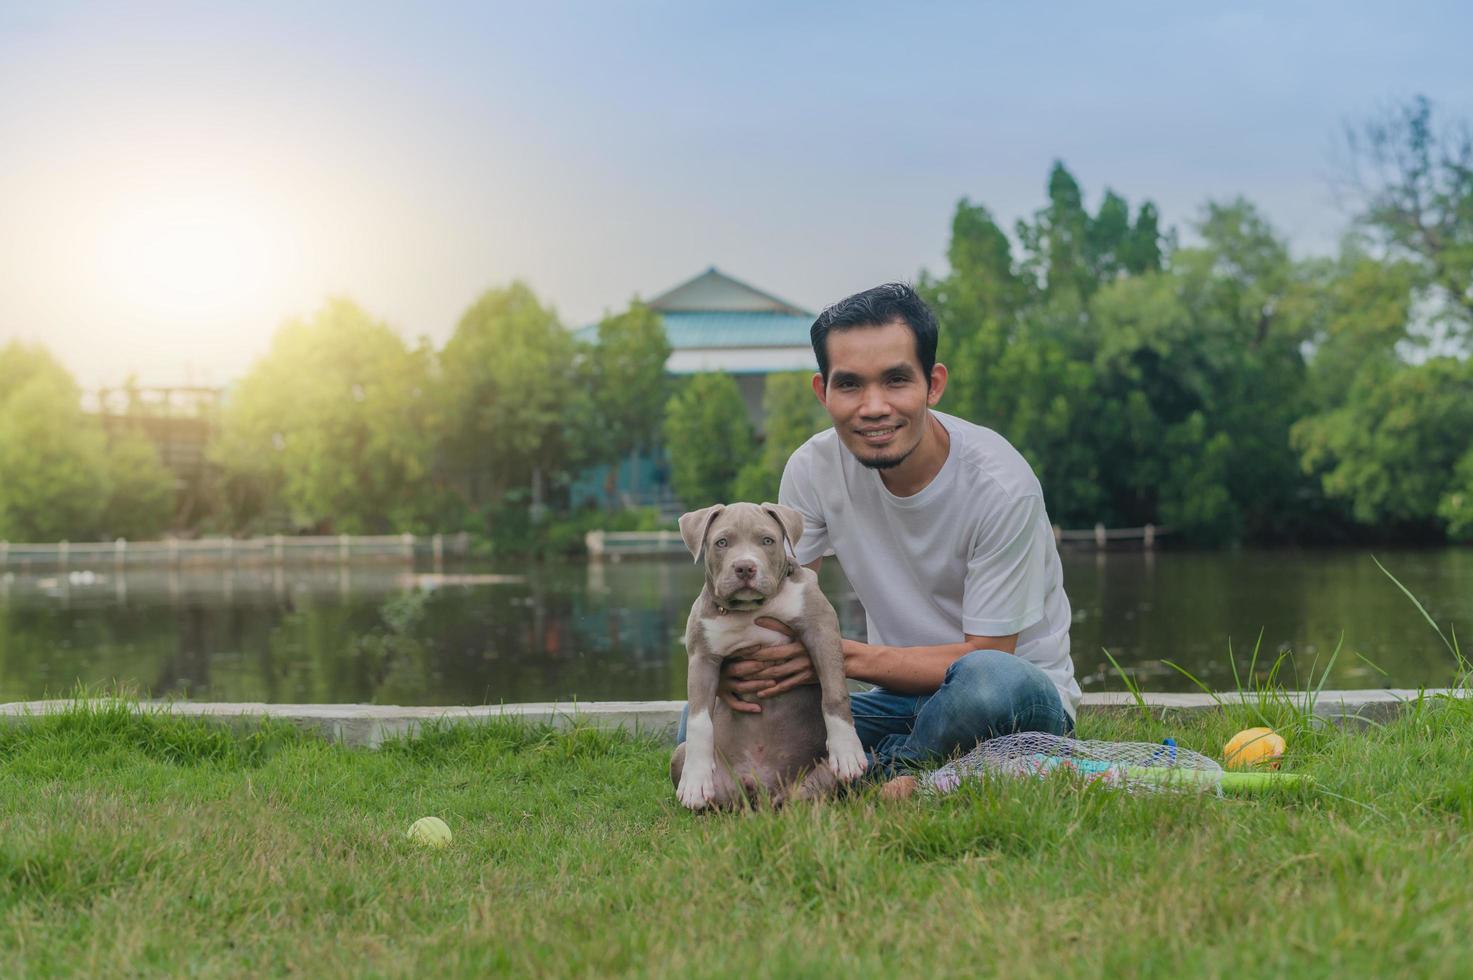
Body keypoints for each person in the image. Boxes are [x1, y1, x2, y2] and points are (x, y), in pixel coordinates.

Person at [679, 282, 1079, 785]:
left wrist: (835, 655)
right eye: (850, 385)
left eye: (895, 380)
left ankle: (873, 773)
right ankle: (911, 770)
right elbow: (779, 598)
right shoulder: (813, 468)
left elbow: (989, 654)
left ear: (933, 384)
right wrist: (740, 665)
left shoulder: (1001, 487)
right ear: (823, 392)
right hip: (891, 698)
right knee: (693, 725)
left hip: (1010, 695)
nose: (873, 407)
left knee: (987, 686)